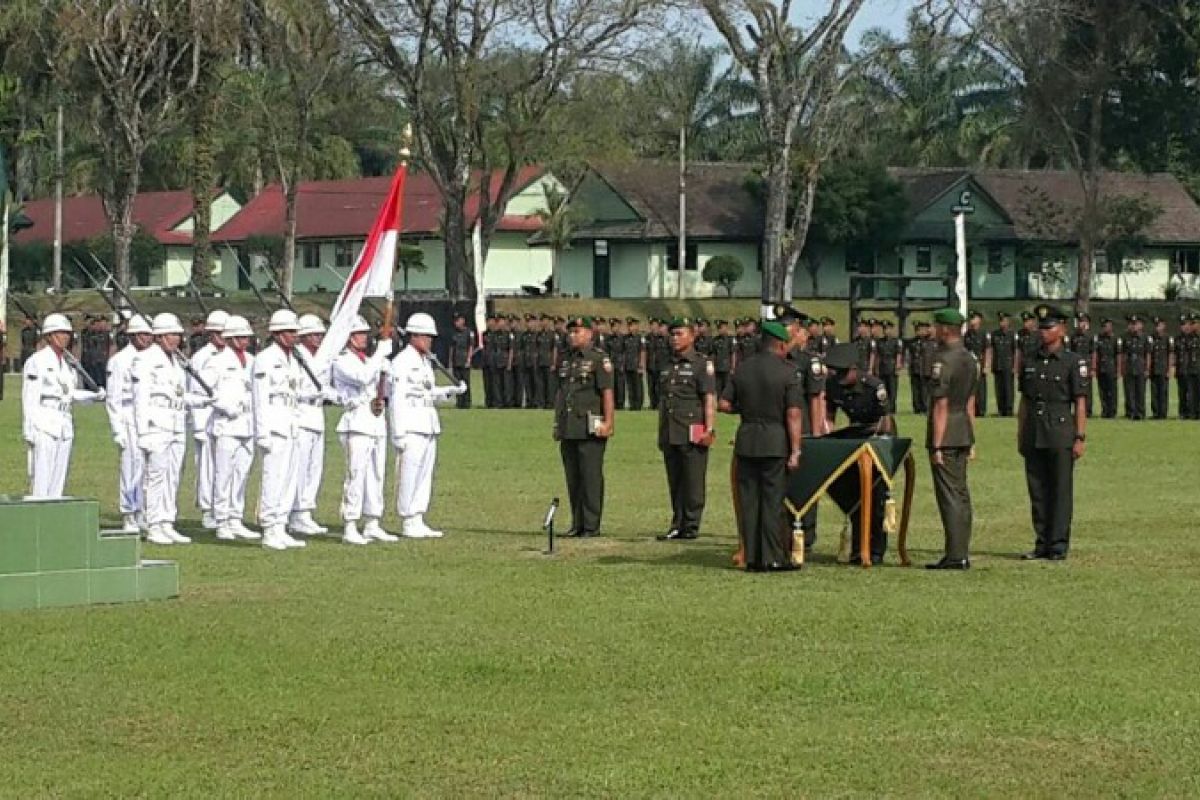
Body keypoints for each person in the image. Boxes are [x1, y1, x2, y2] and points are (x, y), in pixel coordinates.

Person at [719, 320, 803, 572]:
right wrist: (796, 449)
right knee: (772, 501)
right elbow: (793, 414)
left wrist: (744, 408)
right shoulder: (788, 372)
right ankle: (773, 557)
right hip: (775, 440)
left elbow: (723, 404)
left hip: (747, 438)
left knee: (749, 501)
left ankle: (752, 557)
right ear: (779, 344)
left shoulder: (742, 369)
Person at [133, 313, 211, 545]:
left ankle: (167, 520)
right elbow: (141, 397)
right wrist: (143, 430)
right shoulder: (145, 359)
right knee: (155, 476)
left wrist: (202, 400)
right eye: (171, 335)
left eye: (178, 335)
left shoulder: (176, 361)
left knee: (173, 475)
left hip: (176, 424)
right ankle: (153, 523)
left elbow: (179, 394)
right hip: (156, 424)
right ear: (159, 336)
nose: (176, 339)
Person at [1018, 305, 1088, 561]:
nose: (1044, 332)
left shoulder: (1072, 361)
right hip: (1034, 430)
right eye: (1042, 327)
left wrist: (1080, 437)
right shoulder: (1030, 359)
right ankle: (1041, 542)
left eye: (1049, 327)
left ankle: (1058, 544)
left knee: (1059, 490)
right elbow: (1024, 401)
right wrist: (1020, 433)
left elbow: (1080, 402)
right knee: (1037, 490)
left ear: (1062, 330)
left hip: (1060, 430)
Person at [389, 312, 467, 539]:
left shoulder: (425, 362)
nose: (430, 341)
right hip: (410, 425)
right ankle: (407, 518)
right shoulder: (402, 362)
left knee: (424, 473)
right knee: (409, 473)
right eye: (426, 336)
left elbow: (427, 393)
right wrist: (398, 432)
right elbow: (397, 399)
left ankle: (418, 516)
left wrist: (449, 391)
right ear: (414, 336)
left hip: (427, 423)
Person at [823, 342, 896, 565]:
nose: (840, 377)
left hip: (877, 436)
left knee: (875, 497)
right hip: (853, 437)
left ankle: (874, 551)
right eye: (837, 372)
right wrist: (828, 435)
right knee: (850, 494)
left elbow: (886, 421)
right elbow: (829, 414)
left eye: (844, 372)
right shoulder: (833, 385)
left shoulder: (874, 387)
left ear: (855, 369)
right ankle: (857, 547)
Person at [21, 313, 106, 499]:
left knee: (59, 478)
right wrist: (29, 429)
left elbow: (70, 394)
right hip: (44, 422)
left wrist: (94, 396)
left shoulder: (68, 365)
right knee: (42, 477)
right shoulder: (37, 361)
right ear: (49, 336)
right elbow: (30, 397)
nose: (65, 337)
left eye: (67, 333)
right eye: (60, 333)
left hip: (64, 422)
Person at [331, 315, 395, 545]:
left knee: (376, 475)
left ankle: (372, 522)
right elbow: (361, 378)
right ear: (348, 337)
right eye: (359, 334)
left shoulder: (368, 360)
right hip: (356, 422)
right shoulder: (342, 361)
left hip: (376, 421)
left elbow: (384, 388)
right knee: (355, 475)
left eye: (366, 333)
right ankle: (350, 523)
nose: (364, 338)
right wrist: (379, 356)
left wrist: (387, 372)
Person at [925, 308, 978, 571]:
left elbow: (941, 406)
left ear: (945, 329)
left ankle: (955, 554)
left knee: (950, 496)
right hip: (962, 431)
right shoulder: (969, 358)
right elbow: (970, 401)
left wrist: (936, 444)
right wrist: (972, 438)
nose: (933, 331)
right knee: (961, 493)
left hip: (946, 434)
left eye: (936, 326)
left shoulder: (944, 361)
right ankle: (960, 551)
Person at [553, 316, 615, 538]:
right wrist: (557, 423)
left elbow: (607, 392)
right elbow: (562, 394)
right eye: (570, 332)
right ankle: (577, 522)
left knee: (590, 476)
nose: (573, 335)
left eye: (578, 331)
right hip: (570, 426)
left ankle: (591, 525)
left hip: (590, 426)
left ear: (590, 333)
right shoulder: (567, 360)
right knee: (573, 477)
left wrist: (609, 422)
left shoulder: (599, 359)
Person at [655, 317, 716, 541]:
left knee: (693, 480)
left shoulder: (701, 364)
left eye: (680, 334)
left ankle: (691, 525)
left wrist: (709, 429)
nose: (674, 338)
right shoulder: (665, 363)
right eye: (672, 334)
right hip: (670, 429)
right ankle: (677, 522)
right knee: (675, 480)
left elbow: (708, 398)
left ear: (692, 336)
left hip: (693, 428)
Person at [252, 309, 307, 551]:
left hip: (291, 423)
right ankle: (269, 526)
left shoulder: (293, 359)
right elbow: (260, 398)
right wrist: (262, 432)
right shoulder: (265, 359)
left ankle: (281, 524)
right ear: (278, 333)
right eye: (291, 332)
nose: (295, 336)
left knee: (289, 478)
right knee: (273, 478)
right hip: (274, 426)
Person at [207, 316, 262, 543]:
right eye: (239, 337)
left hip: (248, 425)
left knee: (242, 474)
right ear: (229, 338)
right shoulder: (217, 362)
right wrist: (225, 406)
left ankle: (235, 517)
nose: (244, 341)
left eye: (246, 337)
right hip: (226, 424)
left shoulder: (252, 360)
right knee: (223, 475)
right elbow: (205, 392)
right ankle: (221, 520)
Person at [105, 314, 153, 532]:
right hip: (127, 415)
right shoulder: (120, 361)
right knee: (130, 467)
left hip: (148, 416)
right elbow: (113, 398)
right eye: (142, 334)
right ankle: (128, 513)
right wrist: (117, 429)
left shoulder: (152, 358)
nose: (146, 339)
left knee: (147, 468)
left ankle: (142, 510)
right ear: (132, 336)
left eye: (149, 335)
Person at [290, 314, 333, 536]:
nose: (318, 338)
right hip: (301, 414)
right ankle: (296, 512)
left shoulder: (321, 357)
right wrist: (314, 392)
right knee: (300, 467)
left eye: (320, 334)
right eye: (314, 334)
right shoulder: (297, 357)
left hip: (317, 415)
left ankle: (306, 510)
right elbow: (293, 389)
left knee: (315, 468)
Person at [190, 309, 229, 530]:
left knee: (223, 468)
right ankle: (207, 510)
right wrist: (198, 424)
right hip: (205, 419)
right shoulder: (202, 357)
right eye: (220, 333)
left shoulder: (229, 357)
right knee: (206, 467)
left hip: (224, 419)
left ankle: (222, 508)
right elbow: (196, 392)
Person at [1120, 314, 1148, 421]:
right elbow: (1123, 354)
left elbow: (1148, 354)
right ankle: (1131, 412)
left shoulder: (1145, 338)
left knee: (1140, 391)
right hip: (1129, 366)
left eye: (1135, 324)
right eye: (1131, 324)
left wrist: (1147, 369)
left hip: (1140, 366)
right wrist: (1122, 368)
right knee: (1129, 391)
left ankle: (1140, 412)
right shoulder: (1125, 337)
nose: (1133, 326)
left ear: (1141, 325)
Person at [963, 311, 990, 416]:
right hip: (970, 364)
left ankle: (981, 410)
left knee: (981, 388)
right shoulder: (967, 334)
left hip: (980, 363)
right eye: (970, 319)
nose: (971, 321)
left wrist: (986, 365)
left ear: (979, 320)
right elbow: (964, 349)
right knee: (970, 387)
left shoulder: (983, 333)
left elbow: (987, 350)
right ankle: (971, 408)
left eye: (974, 318)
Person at [1070, 313, 1097, 417]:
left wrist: (1093, 367)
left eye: (1083, 322)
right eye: (1080, 322)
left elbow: (1093, 353)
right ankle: (1077, 409)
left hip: (1086, 366)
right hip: (1076, 366)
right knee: (1076, 387)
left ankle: (1088, 410)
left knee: (1087, 389)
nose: (1081, 324)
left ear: (1087, 323)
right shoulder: (1074, 336)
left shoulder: (1090, 337)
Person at [991, 312, 1017, 416]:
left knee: (1008, 388)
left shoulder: (1012, 335)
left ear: (1008, 322)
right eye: (1000, 321)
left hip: (1008, 364)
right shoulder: (995, 334)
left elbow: (1015, 351)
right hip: (998, 364)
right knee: (999, 388)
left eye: (1004, 321)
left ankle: (1009, 409)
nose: (1002, 323)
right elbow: (992, 350)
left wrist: (1015, 366)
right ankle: (1001, 409)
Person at [449, 312, 476, 410]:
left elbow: (471, 346)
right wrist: (450, 362)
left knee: (466, 382)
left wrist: (469, 359)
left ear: (463, 321)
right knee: (457, 382)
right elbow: (452, 348)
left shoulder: (469, 332)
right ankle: (459, 402)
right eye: (455, 321)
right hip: (456, 360)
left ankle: (467, 402)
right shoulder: (454, 333)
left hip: (464, 360)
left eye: (458, 320)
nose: (456, 323)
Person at [1148, 317, 1173, 420]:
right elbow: (1149, 354)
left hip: (1163, 369)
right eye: (1156, 325)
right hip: (1154, 369)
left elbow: (1170, 354)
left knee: (1163, 392)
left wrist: (1169, 369)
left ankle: (1163, 413)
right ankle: (1156, 412)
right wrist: (1149, 368)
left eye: (1159, 325)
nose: (1157, 328)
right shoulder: (1151, 338)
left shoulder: (1168, 339)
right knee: (1154, 392)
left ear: (1164, 326)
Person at [1095, 318, 1120, 418]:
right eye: (1103, 326)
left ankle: (1112, 411)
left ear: (1111, 327)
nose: (1105, 328)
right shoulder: (1099, 339)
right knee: (1102, 391)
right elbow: (1096, 354)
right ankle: (1105, 410)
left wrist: (1118, 370)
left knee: (1112, 391)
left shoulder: (1115, 339)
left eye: (1106, 326)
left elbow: (1118, 355)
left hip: (1111, 367)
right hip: (1102, 368)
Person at [876, 320, 901, 413]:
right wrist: (876, 368)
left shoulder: (896, 341)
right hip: (883, 367)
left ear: (891, 329)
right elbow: (878, 355)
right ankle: (885, 408)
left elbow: (898, 354)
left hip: (892, 367)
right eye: (884, 329)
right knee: (884, 389)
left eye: (888, 329)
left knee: (892, 389)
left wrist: (897, 366)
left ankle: (892, 408)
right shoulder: (880, 341)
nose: (886, 331)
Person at [623, 317, 647, 411]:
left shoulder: (640, 338)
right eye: (629, 326)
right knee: (630, 387)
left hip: (637, 366)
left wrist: (641, 364)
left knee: (638, 386)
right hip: (628, 365)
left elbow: (643, 351)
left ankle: (638, 405)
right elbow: (624, 352)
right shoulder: (626, 338)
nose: (630, 328)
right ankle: (632, 404)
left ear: (636, 326)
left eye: (632, 325)